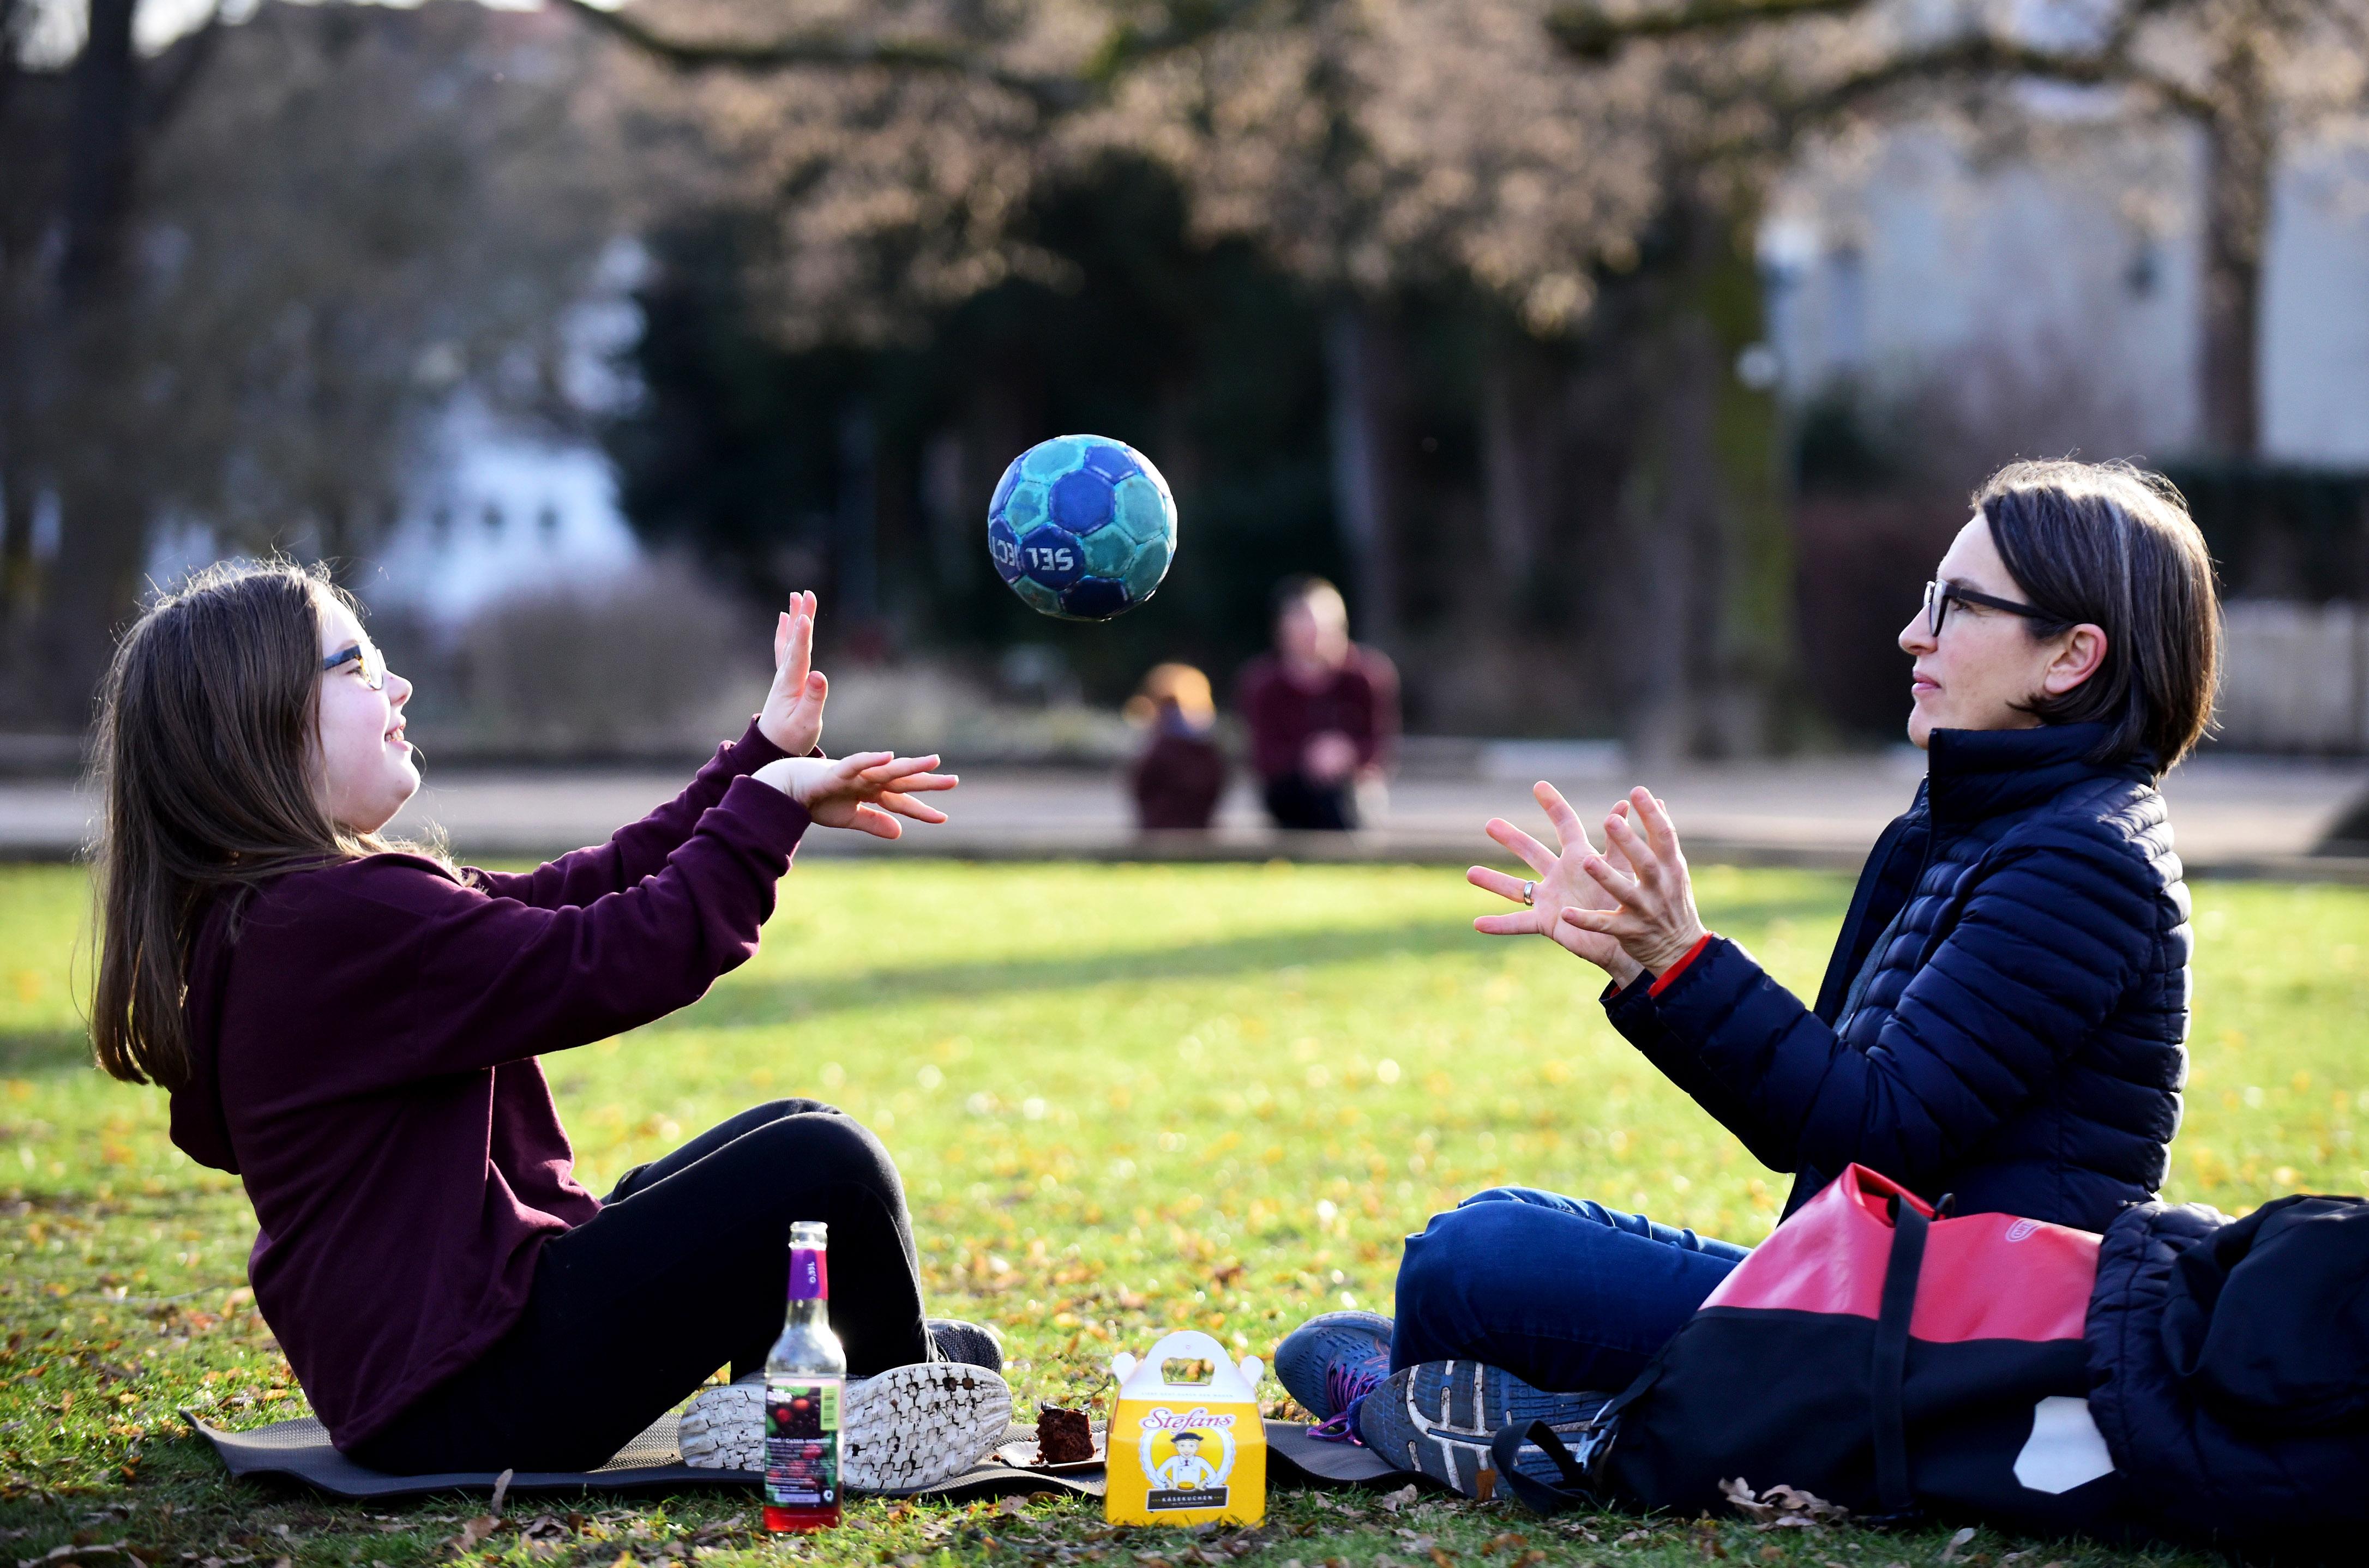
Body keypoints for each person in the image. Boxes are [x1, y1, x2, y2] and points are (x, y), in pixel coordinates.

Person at [1274, 460, 2221, 1495]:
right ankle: (1558, 1405)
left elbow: (1877, 1135)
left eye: (1954, 607)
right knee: (1473, 1236)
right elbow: (1815, 1119)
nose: (1912, 634)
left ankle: (1559, 1421)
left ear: (2070, 657)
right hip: (1872, 1292)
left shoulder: (2079, 863)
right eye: (1923, 599)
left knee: (1466, 1266)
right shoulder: (1974, 827)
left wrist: (1687, 960)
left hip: (1943, 1344)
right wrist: (1652, 966)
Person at [90, 562, 1009, 1483]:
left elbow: (577, 893)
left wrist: (758, 763)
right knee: (826, 1168)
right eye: (358, 668)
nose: (399, 684)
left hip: (445, 1373)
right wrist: (762, 813)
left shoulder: (288, 912)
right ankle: (894, 1400)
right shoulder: (337, 918)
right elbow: (613, 953)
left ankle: (815, 1384)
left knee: (790, 1129)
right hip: (473, 1395)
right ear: (261, 722)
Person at [1236, 576, 1398, 831]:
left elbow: (1380, 745)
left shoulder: (1367, 676)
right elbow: (1261, 755)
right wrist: (1307, 756)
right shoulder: (1263, 683)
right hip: (1289, 790)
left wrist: (1347, 753)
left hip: (1352, 789)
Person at [1126, 662, 1227, 831]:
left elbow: (1141, 787)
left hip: (1163, 831)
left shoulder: (1161, 748)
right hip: (1189, 831)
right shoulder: (1208, 750)